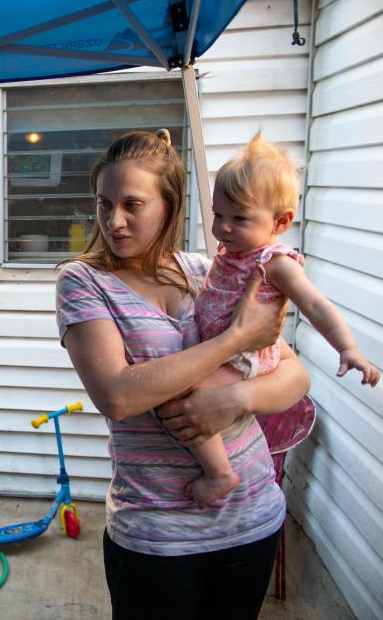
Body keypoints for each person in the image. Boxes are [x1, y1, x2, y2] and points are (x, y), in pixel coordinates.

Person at [56, 129, 310, 619]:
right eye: (104, 203)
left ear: (169, 207)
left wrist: (235, 400)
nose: (115, 220)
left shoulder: (208, 271)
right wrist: (234, 339)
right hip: (158, 534)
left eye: (133, 204)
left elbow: (295, 376)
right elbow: (117, 395)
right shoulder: (84, 281)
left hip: (254, 516)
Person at [185, 132, 379, 505]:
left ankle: (219, 474)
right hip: (224, 347)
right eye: (218, 215)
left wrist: (348, 347)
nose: (223, 228)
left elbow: (316, 305)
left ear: (281, 221)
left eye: (238, 218)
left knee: (190, 396)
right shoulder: (234, 250)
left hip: (246, 355)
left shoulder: (274, 262)